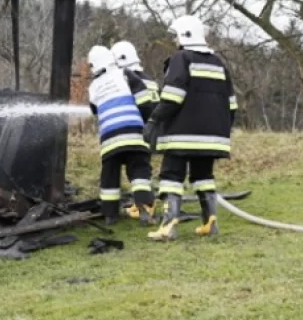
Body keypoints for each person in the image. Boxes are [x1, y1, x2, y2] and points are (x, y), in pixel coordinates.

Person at [143, 15, 238, 242]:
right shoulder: (218, 63)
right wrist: (220, 129)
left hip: (181, 135)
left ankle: (168, 225)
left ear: (184, 35)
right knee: (204, 177)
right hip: (213, 137)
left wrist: (154, 120)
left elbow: (173, 96)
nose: (175, 40)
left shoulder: (181, 58)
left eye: (176, 35)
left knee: (171, 176)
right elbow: (232, 104)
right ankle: (210, 222)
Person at [87, 45, 154, 225]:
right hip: (134, 134)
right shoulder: (125, 74)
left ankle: (110, 216)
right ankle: (144, 210)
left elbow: (95, 111)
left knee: (109, 176)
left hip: (109, 139)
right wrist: (146, 123)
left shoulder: (93, 87)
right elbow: (144, 101)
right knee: (139, 171)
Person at [110, 40, 160, 221]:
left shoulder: (122, 81)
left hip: (127, 133)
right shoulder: (151, 81)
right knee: (141, 171)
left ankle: (143, 207)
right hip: (149, 134)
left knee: (133, 171)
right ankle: (143, 204)